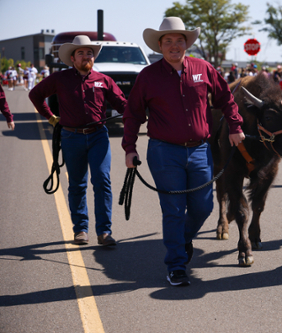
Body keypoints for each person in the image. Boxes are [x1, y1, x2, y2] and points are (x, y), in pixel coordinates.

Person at [122, 17, 244, 287]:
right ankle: (176, 265)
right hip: (164, 152)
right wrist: (129, 148)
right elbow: (132, 115)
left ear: (187, 43)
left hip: (200, 150)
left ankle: (183, 239)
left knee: (204, 206)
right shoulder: (148, 77)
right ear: (160, 46)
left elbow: (225, 98)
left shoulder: (203, 68)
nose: (174, 46)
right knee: (174, 209)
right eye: (168, 42)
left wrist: (235, 126)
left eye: (179, 41)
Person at [29, 35, 127, 246]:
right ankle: (80, 230)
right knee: (77, 185)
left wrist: (138, 114)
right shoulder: (60, 79)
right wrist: (50, 117)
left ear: (93, 57)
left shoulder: (104, 80)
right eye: (80, 53)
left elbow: (122, 105)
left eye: (89, 53)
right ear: (72, 58)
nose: (86, 56)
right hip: (71, 137)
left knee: (102, 181)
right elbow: (35, 94)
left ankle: (104, 232)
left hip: (98, 136)